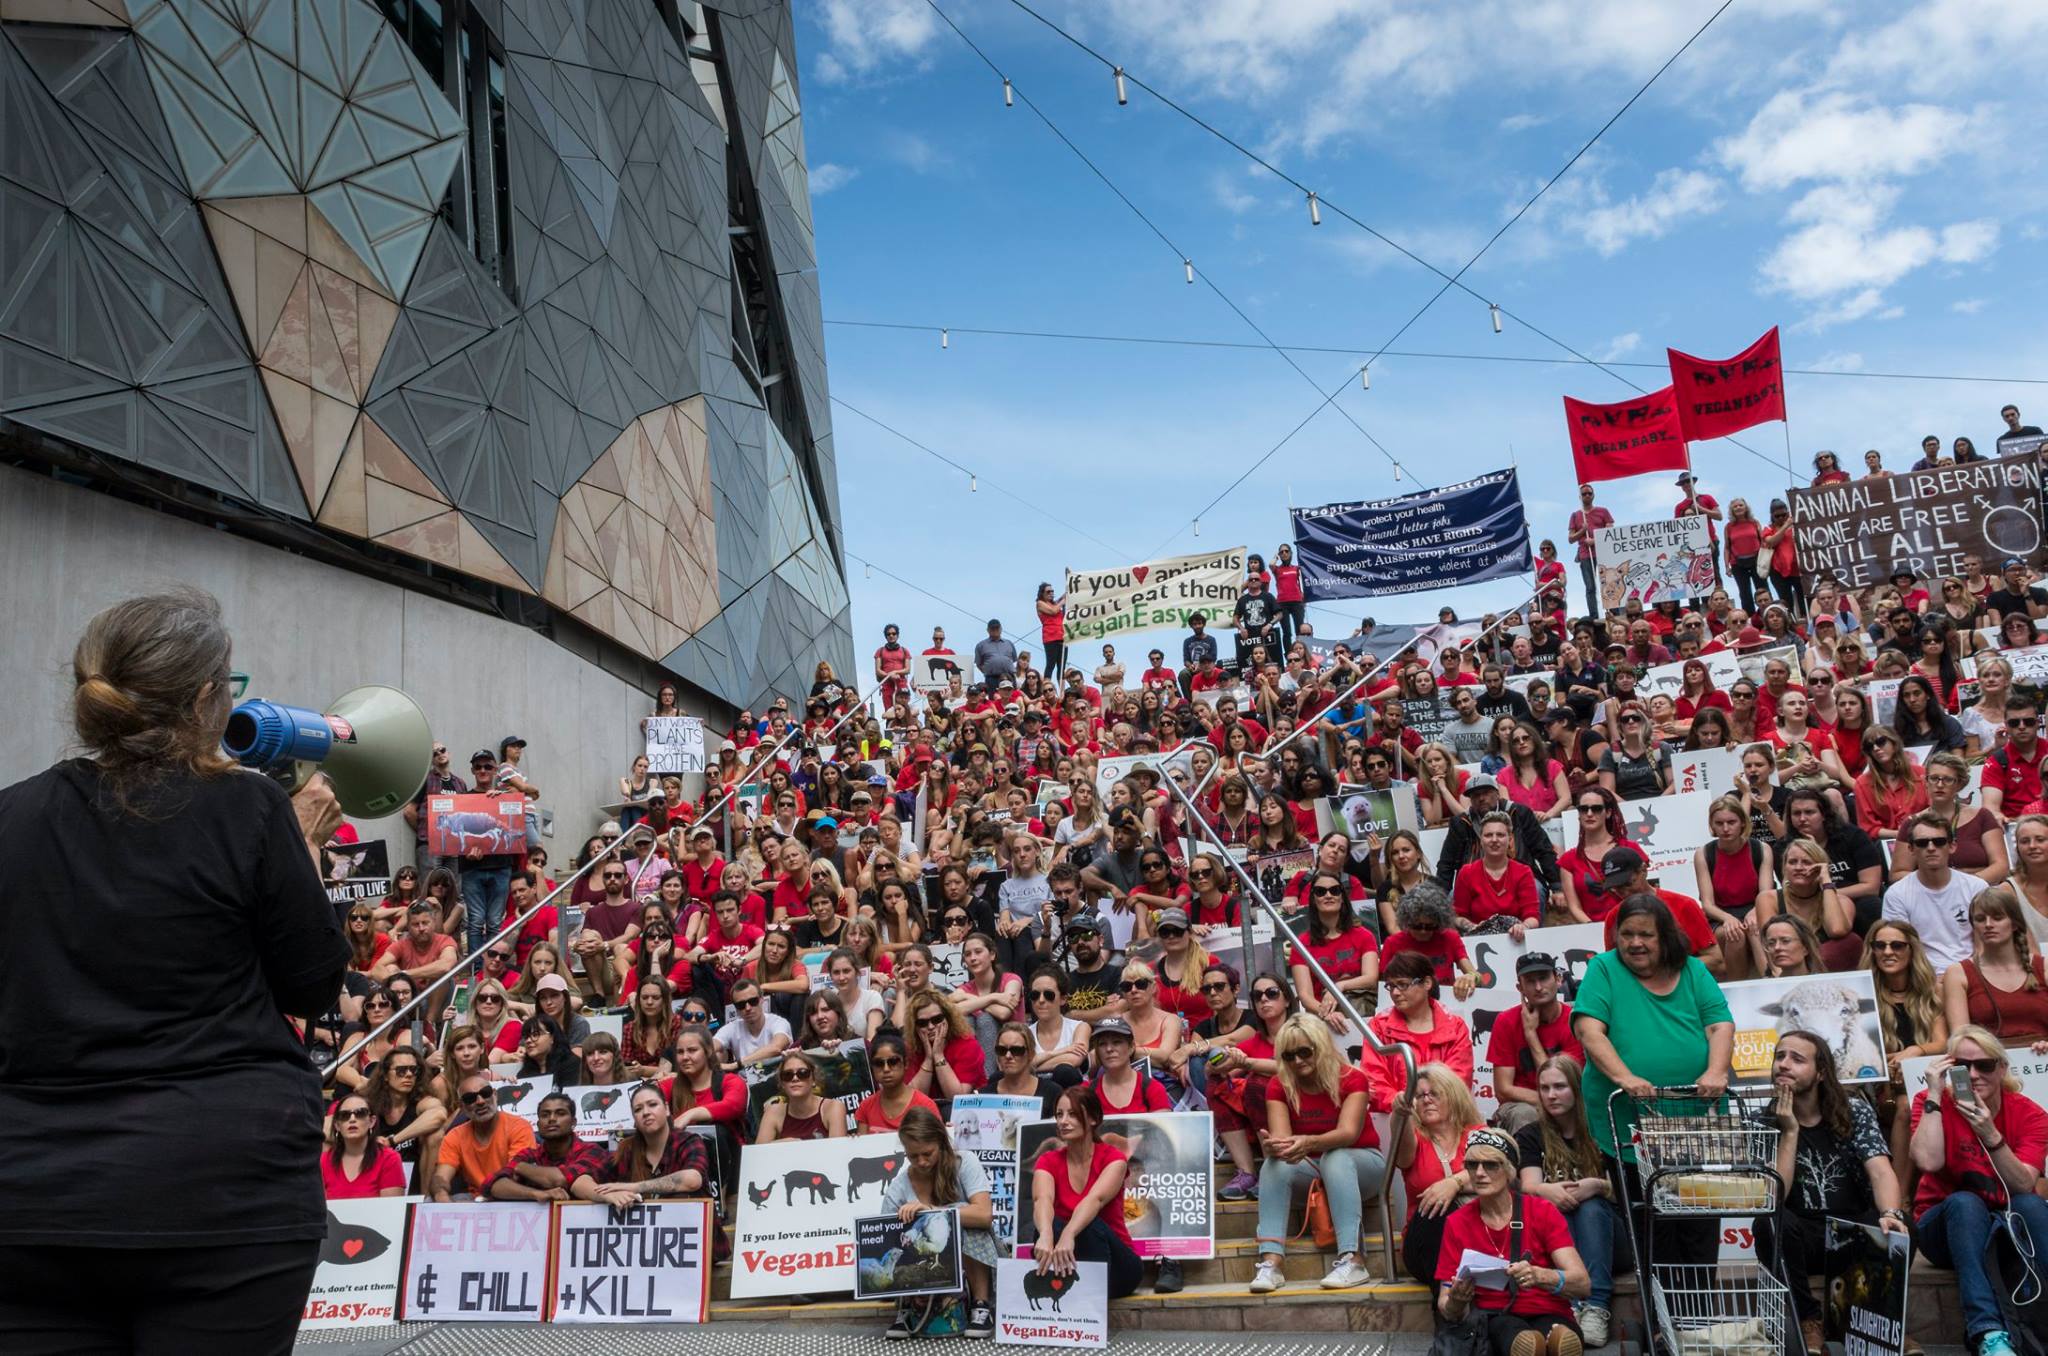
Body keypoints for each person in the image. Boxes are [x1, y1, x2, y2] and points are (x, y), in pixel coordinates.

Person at [0, 590, 350, 1353]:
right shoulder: (252, 810)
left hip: (31, 1199)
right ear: (204, 699)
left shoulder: (11, 816)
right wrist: (306, 854)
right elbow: (312, 984)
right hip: (221, 1198)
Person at [1572, 893, 1734, 1266]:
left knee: (1700, 1221)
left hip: (1695, 1118)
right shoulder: (1604, 968)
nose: (1634, 943)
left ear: (1665, 936)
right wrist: (1625, 1077)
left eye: (1645, 934)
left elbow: (1720, 1023)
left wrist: (1716, 1070)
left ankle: (1699, 1316)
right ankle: (1660, 1320)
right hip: (1631, 1122)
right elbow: (1589, 1030)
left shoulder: (1693, 970)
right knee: (1650, 1225)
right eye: (1626, 934)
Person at [1764, 1031, 1908, 1356]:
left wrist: (1891, 1215)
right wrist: (1789, 1131)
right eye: (1780, 1056)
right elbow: (1774, 1199)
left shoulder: (1852, 1110)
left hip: (1850, 1232)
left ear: (1821, 1073)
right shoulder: (1764, 1119)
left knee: (1902, 1225)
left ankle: (1877, 1321)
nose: (1784, 1065)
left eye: (1797, 1059)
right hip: (1803, 1237)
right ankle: (1809, 1319)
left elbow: (1881, 1170)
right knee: (1770, 1222)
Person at [1909, 1025, 2048, 1356]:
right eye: (1962, 1065)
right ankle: (1988, 1333)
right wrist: (1933, 1095)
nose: (1973, 1074)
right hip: (1941, 1227)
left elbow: (2022, 1184)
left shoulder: (2031, 1114)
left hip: (2005, 1229)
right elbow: (1928, 1161)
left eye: (1984, 1065)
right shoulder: (1931, 1102)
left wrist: (1990, 1134)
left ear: (2002, 1068)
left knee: (2030, 1203)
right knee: (1965, 1203)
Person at [1247, 1015, 1388, 1293]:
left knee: (1336, 1156)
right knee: (1274, 1165)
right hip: (1313, 1167)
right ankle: (1271, 1263)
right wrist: (1275, 1146)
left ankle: (1353, 1259)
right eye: (1289, 1055)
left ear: (1320, 1047)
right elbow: (1285, 1142)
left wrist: (1308, 1142)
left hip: (1363, 1164)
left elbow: (1348, 1134)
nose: (1298, 1061)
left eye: (1304, 1052)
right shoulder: (1279, 1084)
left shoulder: (1352, 1078)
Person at [1435, 1127, 1591, 1355]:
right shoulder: (1457, 1222)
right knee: (1513, 1334)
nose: (1479, 1173)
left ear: (1509, 1170)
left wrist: (1539, 1276)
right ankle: (1532, 1345)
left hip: (1549, 1310)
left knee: (1559, 1335)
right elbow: (1445, 1304)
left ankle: (1553, 1341)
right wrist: (1456, 1301)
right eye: (1472, 1165)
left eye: (1490, 1165)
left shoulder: (1541, 1211)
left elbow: (1582, 1284)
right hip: (1495, 1316)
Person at [1516, 1056, 1619, 1349]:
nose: (1551, 1095)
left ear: (1576, 1088)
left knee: (1590, 1206)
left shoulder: (1602, 1131)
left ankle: (1596, 1306)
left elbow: (1624, 1192)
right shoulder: (1531, 1135)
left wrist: (1596, 1186)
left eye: (1560, 1087)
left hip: (1609, 1238)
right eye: (1545, 1088)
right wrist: (1546, 1191)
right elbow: (1528, 1186)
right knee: (1553, 1209)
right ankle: (1572, 1306)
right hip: (1556, 1240)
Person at [880, 1107, 999, 1339]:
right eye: (913, 1156)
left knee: (964, 1218)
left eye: (927, 1153)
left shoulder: (965, 1162)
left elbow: (985, 1215)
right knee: (900, 1232)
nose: (921, 1162)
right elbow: (885, 1235)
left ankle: (981, 1304)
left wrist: (934, 1212)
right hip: (923, 1256)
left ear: (941, 1143)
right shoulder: (900, 1185)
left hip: (966, 1256)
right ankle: (908, 1305)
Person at [1028, 1086, 1143, 1300]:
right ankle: (1063, 1299)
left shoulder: (1114, 1159)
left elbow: (1094, 1200)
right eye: (1059, 1115)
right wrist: (1045, 1234)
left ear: (1092, 1118)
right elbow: (1042, 1199)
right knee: (1046, 1226)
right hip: (1071, 1260)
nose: (1063, 1121)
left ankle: (1086, 1305)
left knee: (1089, 1225)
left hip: (1118, 1266)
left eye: (1072, 1114)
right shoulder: (1048, 1160)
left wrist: (1068, 1234)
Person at [1390, 1062, 1486, 1286]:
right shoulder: (1414, 1139)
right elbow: (1401, 1153)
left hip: (1475, 1237)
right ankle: (1446, 1301)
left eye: (1434, 1093)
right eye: (1419, 1095)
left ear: (1453, 1096)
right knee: (1436, 1210)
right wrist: (1399, 1113)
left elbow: (1500, 1172)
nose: (1426, 1099)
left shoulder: (1478, 1134)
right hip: (1425, 1241)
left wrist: (1454, 1183)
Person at [1488, 953, 1585, 1135]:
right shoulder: (1506, 1021)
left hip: (1568, 1101)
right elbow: (1503, 1089)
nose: (1538, 987)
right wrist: (1548, 1101)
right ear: (1520, 987)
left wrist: (1531, 1035)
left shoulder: (1574, 1020)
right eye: (1530, 981)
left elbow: (1559, 1081)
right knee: (1525, 1114)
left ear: (1558, 979)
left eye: (1543, 978)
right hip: (1521, 1106)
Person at [1885, 811, 1992, 973]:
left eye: (1939, 842)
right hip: (1922, 977)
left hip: (1972, 972)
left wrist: (1968, 977)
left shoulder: (1976, 887)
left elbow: (1985, 943)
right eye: (1922, 843)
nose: (1931, 848)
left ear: (1952, 846)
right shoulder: (1896, 894)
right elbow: (1899, 949)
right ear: (1911, 848)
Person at [1941, 887, 2048, 1048]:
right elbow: (1960, 1040)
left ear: (2014, 924)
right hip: (1989, 1065)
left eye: (1997, 918)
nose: (1988, 925)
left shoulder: (2044, 966)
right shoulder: (1958, 973)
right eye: (1980, 919)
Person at [577, 1083, 712, 1207]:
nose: (646, 1112)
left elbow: (692, 1180)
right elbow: (579, 1181)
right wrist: (606, 1195)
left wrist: (634, 1187)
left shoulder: (688, 1141)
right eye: (638, 1109)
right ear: (634, 1118)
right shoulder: (626, 1149)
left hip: (695, 1230)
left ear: (666, 1109)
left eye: (652, 1104)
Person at [1367, 951, 1476, 1090]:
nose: (1395, 992)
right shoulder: (1378, 1027)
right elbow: (1374, 1081)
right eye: (1391, 986)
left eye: (1402, 984)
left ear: (1427, 983)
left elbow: (1459, 1081)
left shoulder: (1456, 1027)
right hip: (1395, 1111)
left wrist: (1426, 1104)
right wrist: (1402, 1104)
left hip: (1443, 1110)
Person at [485, 1090, 604, 1202]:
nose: (552, 1119)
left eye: (560, 1113)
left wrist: (521, 1167)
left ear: (573, 1122)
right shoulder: (529, 1154)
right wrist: (535, 1194)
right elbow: (493, 1185)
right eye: (545, 1115)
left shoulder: (592, 1151)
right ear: (538, 1124)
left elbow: (561, 1179)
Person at [433, 1073, 537, 1200]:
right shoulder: (454, 1136)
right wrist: (441, 1195)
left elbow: (516, 1176)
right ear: (461, 1106)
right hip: (475, 1199)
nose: (480, 1101)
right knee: (431, 1200)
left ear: (495, 1095)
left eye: (485, 1093)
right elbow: (441, 1177)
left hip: (513, 1196)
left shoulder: (519, 1127)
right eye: (470, 1098)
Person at [322, 1094, 407, 1200]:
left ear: (372, 1121)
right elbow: (318, 1210)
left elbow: (391, 1210)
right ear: (337, 1126)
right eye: (344, 1115)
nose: (352, 1119)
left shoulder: (389, 1159)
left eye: (360, 1113)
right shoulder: (323, 1161)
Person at [715, 977, 793, 1070]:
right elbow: (708, 1048)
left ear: (761, 1000)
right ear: (736, 1009)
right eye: (741, 1005)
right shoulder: (732, 1027)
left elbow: (776, 1047)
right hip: (745, 1081)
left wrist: (736, 1065)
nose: (748, 1008)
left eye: (753, 1001)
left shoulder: (778, 1022)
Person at [1567, 484, 1612, 618]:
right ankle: (1594, 615)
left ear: (1593, 495)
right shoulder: (1575, 515)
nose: (1587, 496)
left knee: (1609, 582)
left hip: (1603, 552)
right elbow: (1570, 538)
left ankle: (1613, 611)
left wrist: (1595, 540)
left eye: (1589, 493)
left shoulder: (1603, 511)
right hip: (1586, 555)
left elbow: (1610, 530)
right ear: (1580, 496)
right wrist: (1582, 531)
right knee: (1590, 587)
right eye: (1584, 494)